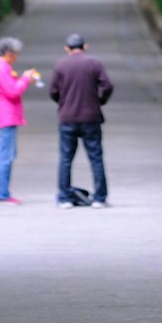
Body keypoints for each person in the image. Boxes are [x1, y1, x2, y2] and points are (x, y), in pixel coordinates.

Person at [49, 32, 113, 208]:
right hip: (91, 117)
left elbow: (53, 91)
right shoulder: (94, 63)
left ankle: (64, 198)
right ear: (85, 47)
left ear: (67, 49)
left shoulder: (61, 65)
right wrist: (99, 101)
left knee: (66, 158)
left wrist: (63, 103)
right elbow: (107, 85)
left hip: (67, 118)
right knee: (96, 158)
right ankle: (99, 198)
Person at [0, 36, 39, 204]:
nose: (16, 57)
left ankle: (2, 192)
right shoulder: (1, 68)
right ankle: (0, 193)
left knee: (8, 154)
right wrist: (25, 78)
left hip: (8, 116)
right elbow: (12, 91)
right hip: (6, 116)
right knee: (6, 156)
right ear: (9, 53)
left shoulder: (2, 68)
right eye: (15, 53)